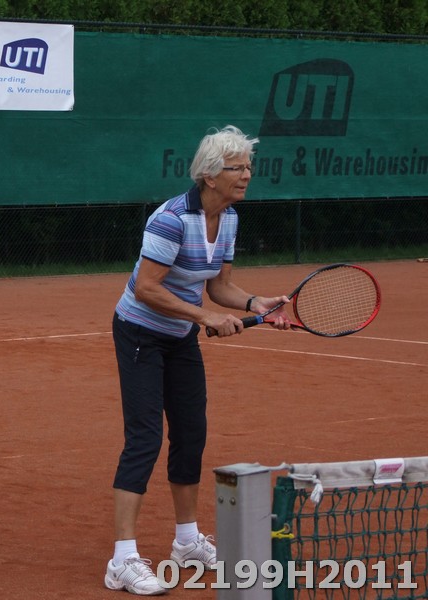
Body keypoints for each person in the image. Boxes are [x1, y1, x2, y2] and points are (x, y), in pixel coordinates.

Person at [104, 125, 291, 595]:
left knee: (191, 434)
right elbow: (147, 289)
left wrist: (255, 304)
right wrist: (205, 316)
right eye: (237, 168)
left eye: (248, 166)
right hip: (140, 334)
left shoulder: (227, 218)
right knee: (145, 438)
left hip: (180, 337)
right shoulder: (171, 220)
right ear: (209, 175)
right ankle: (122, 560)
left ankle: (186, 542)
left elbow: (219, 285)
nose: (246, 175)